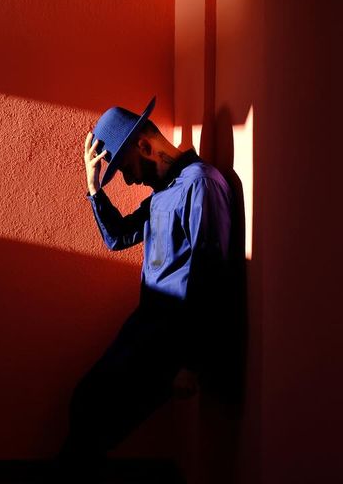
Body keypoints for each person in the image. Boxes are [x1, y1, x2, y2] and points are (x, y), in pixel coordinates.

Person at [56, 96, 232, 482]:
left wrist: (191, 363)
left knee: (92, 415)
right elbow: (118, 237)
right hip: (145, 330)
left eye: (125, 168)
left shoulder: (199, 185)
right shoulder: (165, 192)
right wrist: (93, 188)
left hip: (168, 345)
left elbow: (210, 276)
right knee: (85, 405)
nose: (130, 179)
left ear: (145, 146)